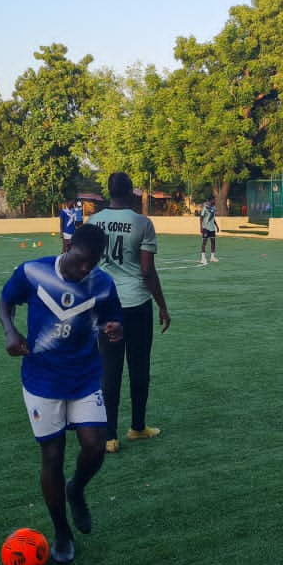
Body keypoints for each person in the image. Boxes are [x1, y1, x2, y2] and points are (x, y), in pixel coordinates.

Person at [0, 223, 124, 565]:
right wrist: (11, 332)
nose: (85, 269)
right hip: (42, 379)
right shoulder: (33, 272)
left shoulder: (102, 283)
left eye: (93, 263)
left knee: (96, 446)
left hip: (84, 376)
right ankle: (61, 531)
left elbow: (114, 315)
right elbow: (5, 301)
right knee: (52, 456)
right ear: (68, 246)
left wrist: (115, 327)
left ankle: (76, 488)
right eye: (81, 260)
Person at [86, 172, 171, 454]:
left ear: (108, 191)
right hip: (136, 303)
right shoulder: (142, 223)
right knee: (139, 365)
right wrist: (161, 304)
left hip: (105, 304)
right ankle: (137, 427)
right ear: (131, 192)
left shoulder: (94, 222)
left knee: (109, 369)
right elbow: (146, 271)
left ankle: (109, 436)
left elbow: (84, 265)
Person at [199, 195, 219, 265]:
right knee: (204, 242)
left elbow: (213, 218)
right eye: (214, 200)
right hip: (205, 228)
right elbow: (201, 218)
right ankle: (203, 258)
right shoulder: (205, 208)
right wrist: (201, 227)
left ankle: (212, 257)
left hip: (212, 228)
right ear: (210, 200)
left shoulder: (214, 207)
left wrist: (217, 226)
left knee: (213, 242)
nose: (215, 201)